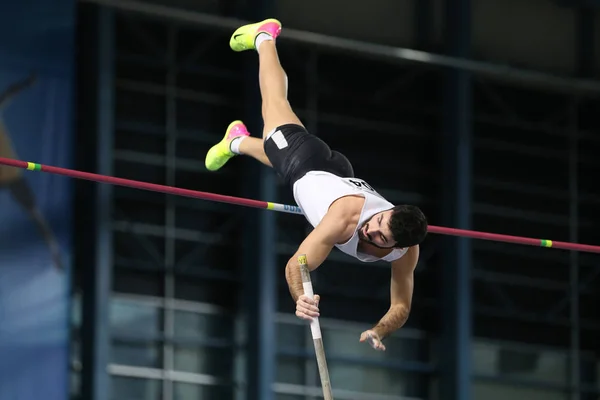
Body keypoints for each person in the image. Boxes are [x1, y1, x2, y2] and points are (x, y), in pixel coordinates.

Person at [204, 19, 428, 351]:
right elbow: (298, 264)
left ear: (397, 247)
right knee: (274, 106)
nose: (372, 232)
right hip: (307, 162)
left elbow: (401, 307)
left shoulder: (406, 251)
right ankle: (265, 37)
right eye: (379, 222)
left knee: (275, 154)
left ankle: (236, 141)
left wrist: (381, 330)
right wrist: (301, 298)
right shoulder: (345, 219)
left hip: (331, 172)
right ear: (389, 211)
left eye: (382, 238)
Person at [0, 73, 63, 270]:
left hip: (13, 175)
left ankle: (54, 251)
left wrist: (26, 82)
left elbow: (9, 93)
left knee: (35, 214)